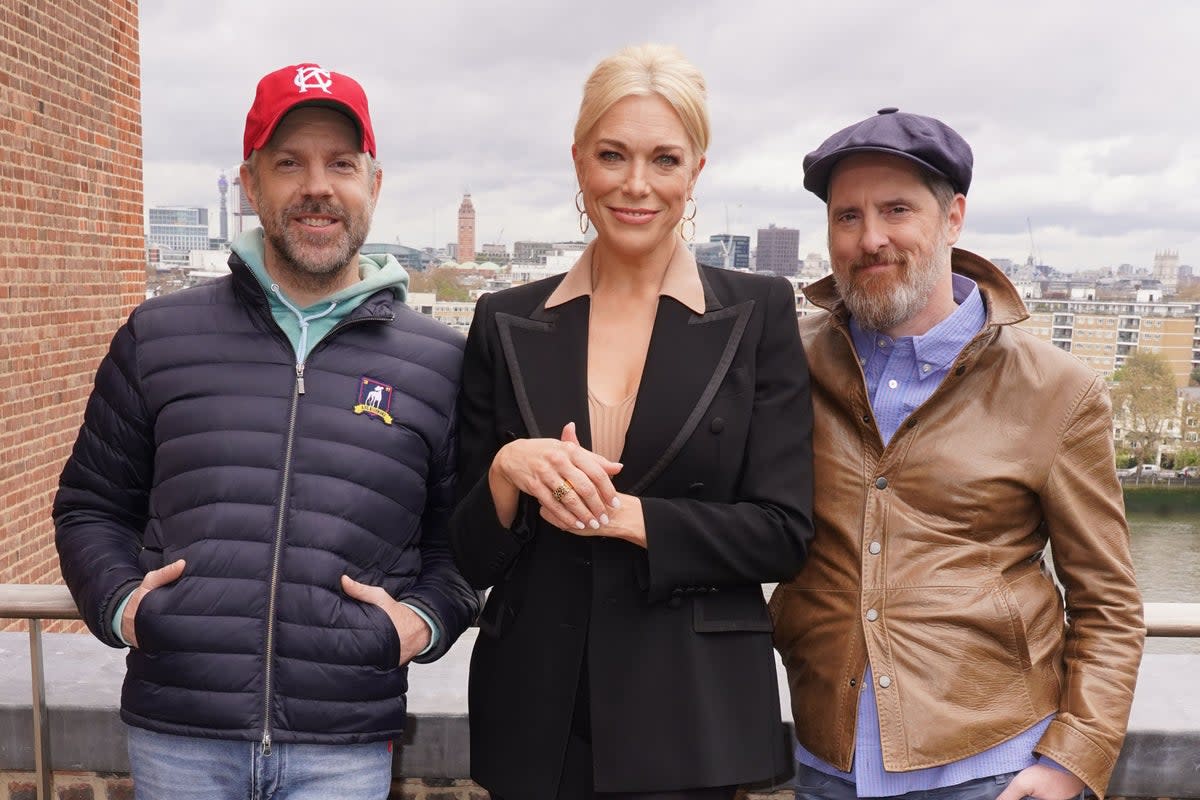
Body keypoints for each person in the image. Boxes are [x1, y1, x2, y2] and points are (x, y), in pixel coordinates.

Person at [53, 63, 479, 800]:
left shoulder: (440, 362)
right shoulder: (160, 336)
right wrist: (127, 608)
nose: (318, 186)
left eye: (340, 163)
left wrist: (416, 626)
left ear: (373, 184)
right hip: (178, 731)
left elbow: (465, 546)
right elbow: (89, 506)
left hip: (345, 743)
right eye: (290, 163)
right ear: (251, 184)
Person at [450, 44, 815, 800]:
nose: (636, 184)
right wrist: (504, 473)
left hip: (693, 713)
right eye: (613, 155)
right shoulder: (504, 319)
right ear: (579, 161)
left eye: (664, 159)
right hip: (539, 712)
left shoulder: (760, 312)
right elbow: (467, 553)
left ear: (697, 171)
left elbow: (785, 531)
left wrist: (629, 518)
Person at [770, 108, 1145, 800]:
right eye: (847, 217)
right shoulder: (785, 362)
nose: (870, 238)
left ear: (953, 219)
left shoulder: (1058, 393)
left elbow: (1109, 604)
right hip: (823, 764)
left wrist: (1072, 761)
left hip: (992, 771)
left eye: (896, 210)